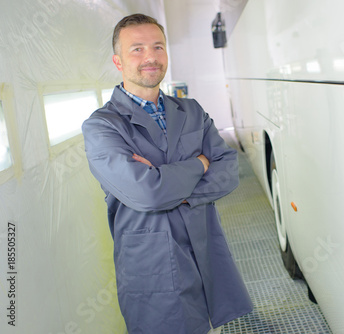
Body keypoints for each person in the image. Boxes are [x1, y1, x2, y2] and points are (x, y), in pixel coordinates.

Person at [82, 13, 252, 334]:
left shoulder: (191, 111)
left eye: (158, 47)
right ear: (118, 62)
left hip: (204, 251)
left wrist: (169, 183)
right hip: (153, 264)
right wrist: (200, 164)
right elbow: (147, 193)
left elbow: (229, 169)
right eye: (137, 49)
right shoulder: (102, 126)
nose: (150, 56)